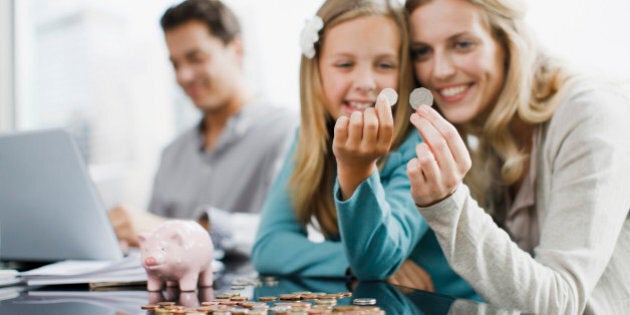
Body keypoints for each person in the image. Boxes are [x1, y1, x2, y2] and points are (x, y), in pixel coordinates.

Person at [404, 0, 630, 313]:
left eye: (462, 44)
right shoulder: (495, 136)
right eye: (422, 51)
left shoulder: (591, 115)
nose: (439, 70)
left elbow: (558, 303)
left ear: (508, 43)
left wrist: (446, 205)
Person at [251, 0, 478, 300]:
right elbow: (269, 246)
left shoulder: (421, 147)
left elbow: (376, 262)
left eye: (384, 65)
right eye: (345, 64)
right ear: (315, 72)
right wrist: (348, 262)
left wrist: (357, 170)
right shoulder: (309, 140)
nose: (366, 83)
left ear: (404, 74)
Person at [108, 0, 296, 257]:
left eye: (196, 59)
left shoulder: (288, 132)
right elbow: (150, 243)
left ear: (236, 50)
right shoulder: (172, 154)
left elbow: (289, 235)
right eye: (175, 64)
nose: (183, 76)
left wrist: (181, 230)